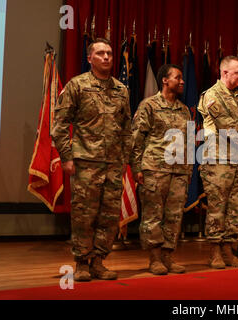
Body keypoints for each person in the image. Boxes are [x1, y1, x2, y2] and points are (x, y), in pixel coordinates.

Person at [51, 38, 132, 281]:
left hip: (113, 164)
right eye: (100, 53)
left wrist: (124, 158)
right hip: (86, 162)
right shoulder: (77, 86)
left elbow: (127, 127)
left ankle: (99, 261)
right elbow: (60, 125)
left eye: (109, 53)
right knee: (84, 215)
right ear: (90, 59)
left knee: (108, 216)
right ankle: (82, 261)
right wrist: (66, 157)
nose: (106, 57)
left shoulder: (121, 90)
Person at [130, 64, 192, 275]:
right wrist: (136, 167)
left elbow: (189, 142)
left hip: (180, 171)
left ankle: (168, 256)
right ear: (165, 80)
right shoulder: (149, 105)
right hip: (155, 168)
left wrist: (188, 170)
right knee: (153, 215)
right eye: (178, 77)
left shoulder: (184, 110)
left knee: (174, 215)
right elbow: (137, 138)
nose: (182, 81)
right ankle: (155, 257)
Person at [198, 56, 238, 269]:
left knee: (237, 206)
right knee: (218, 206)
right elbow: (227, 127)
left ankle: (228, 249)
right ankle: (215, 252)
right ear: (224, 73)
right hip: (219, 160)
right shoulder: (212, 95)